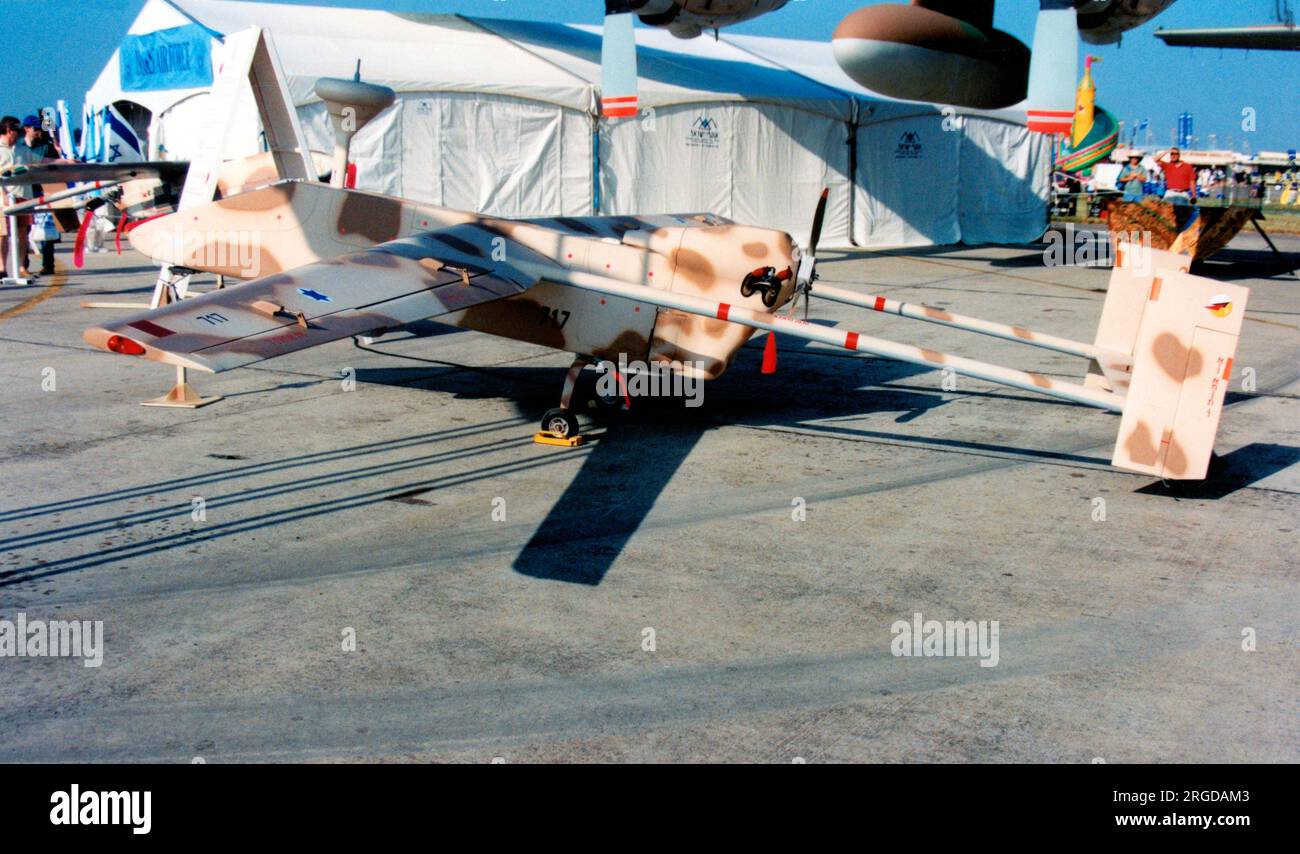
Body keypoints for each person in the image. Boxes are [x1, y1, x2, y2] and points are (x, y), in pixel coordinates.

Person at [0, 115, 39, 278]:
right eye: (17, 131)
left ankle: (22, 267)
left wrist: (65, 161)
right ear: (9, 131)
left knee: (23, 234)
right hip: (4, 200)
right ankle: (2, 268)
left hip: (24, 196)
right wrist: (4, 194)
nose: (21, 134)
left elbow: (42, 160)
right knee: (3, 235)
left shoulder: (23, 149)